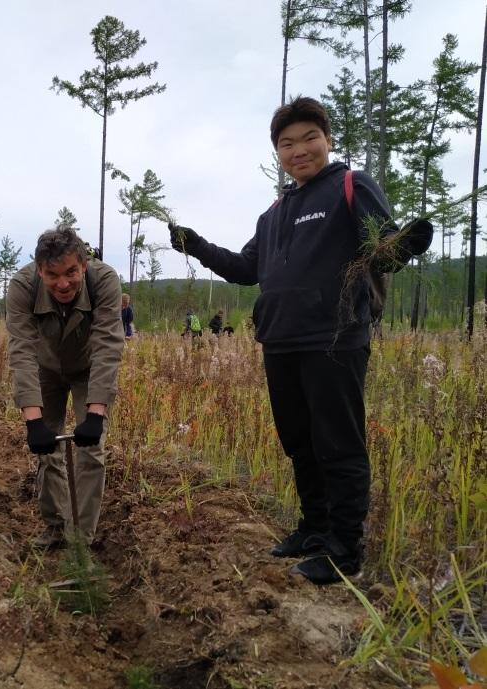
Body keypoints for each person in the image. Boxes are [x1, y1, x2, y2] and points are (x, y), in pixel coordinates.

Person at [168, 96, 432, 585]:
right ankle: (314, 528)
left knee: (339, 444)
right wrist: (197, 246)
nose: (299, 150)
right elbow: (247, 269)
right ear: (278, 153)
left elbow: (383, 252)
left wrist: (406, 244)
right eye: (287, 143)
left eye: (310, 137)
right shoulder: (274, 213)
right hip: (280, 341)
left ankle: (344, 549)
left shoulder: (351, 186)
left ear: (327, 140)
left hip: (334, 338)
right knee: (299, 442)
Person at [6, 227, 124, 548]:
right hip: (46, 370)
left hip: (88, 369)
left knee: (92, 450)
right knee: (47, 449)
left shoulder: (104, 281)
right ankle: (55, 527)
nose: (63, 283)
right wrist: (33, 421)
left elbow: (108, 346)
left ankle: (81, 539)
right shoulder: (21, 287)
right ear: (39, 270)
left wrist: (95, 414)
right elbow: (21, 351)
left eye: (71, 272)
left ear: (84, 265)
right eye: (53, 274)